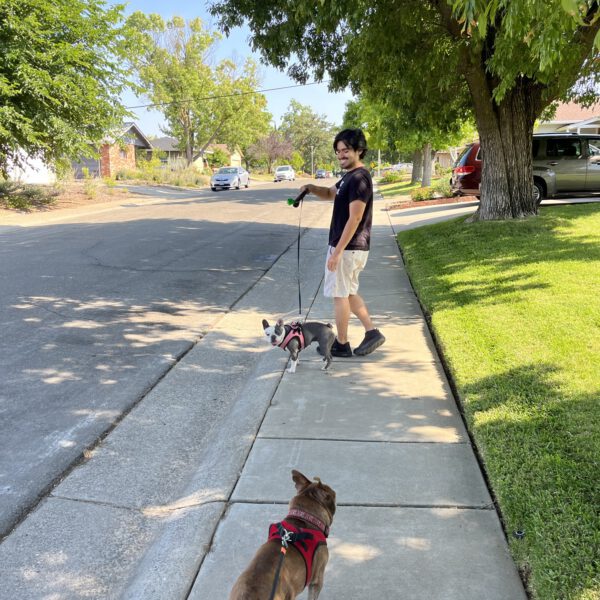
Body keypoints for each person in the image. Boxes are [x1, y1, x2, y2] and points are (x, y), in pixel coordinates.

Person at [301, 128, 385, 357]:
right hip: (350, 248)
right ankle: (372, 332)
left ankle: (342, 344)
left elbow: (355, 217)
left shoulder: (359, 178)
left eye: (346, 150)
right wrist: (311, 188)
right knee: (348, 293)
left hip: (347, 247)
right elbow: (329, 193)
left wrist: (336, 253)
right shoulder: (349, 177)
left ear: (359, 150)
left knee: (340, 295)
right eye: (338, 151)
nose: (341, 156)